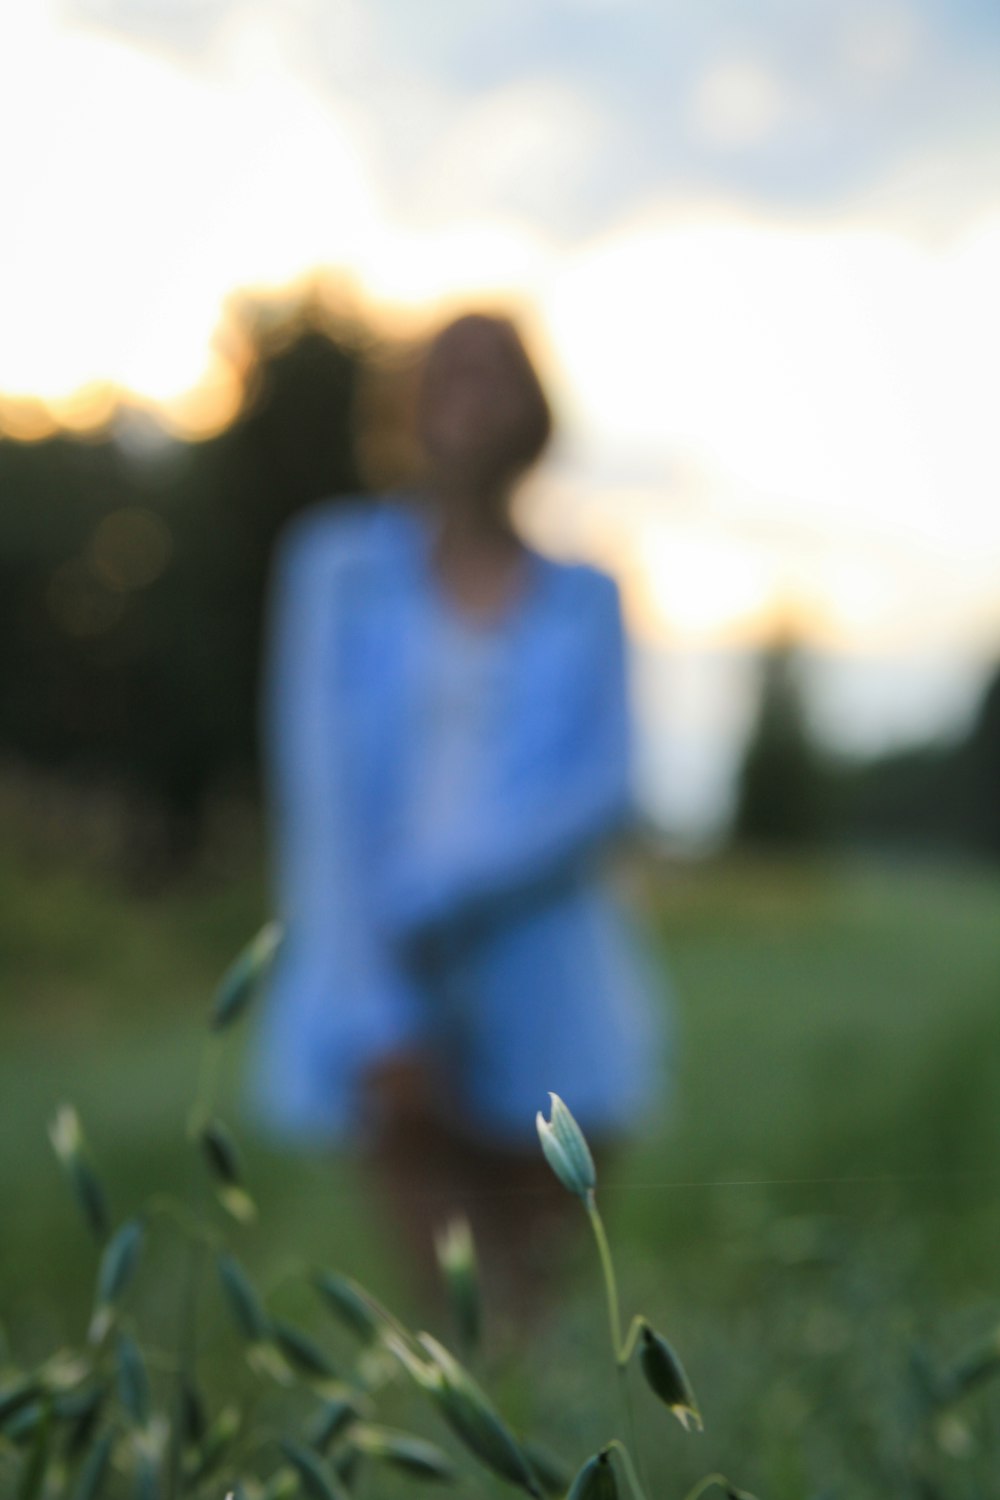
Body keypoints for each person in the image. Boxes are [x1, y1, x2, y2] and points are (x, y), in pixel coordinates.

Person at [251, 312, 666, 1306]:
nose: (472, 389)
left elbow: (607, 791)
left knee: (535, 1311)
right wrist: (374, 1013)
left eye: (500, 369)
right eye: (448, 367)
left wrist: (429, 888)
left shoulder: (587, 593)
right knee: (453, 1316)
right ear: (406, 401)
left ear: (536, 411)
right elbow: (317, 797)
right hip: (386, 985)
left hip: (554, 993)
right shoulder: (334, 567)